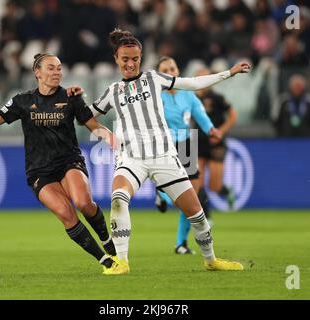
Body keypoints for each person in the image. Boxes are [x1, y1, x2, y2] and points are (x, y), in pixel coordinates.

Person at [69, 28, 250, 275]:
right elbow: (85, 117)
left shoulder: (155, 79)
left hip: (165, 157)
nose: (130, 64)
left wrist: (229, 73)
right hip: (131, 158)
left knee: (196, 214)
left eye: (135, 59)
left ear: (141, 57)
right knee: (118, 199)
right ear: (116, 59)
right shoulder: (113, 91)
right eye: (125, 59)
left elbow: (193, 83)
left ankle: (211, 260)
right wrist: (86, 113)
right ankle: (122, 261)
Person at [0, 53, 118, 274]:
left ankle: (106, 239)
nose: (57, 72)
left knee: (83, 203)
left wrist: (109, 137)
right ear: (37, 72)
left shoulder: (71, 97)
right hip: (38, 170)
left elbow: (93, 125)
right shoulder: (22, 101)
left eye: (58, 68)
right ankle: (105, 261)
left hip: (69, 161)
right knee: (66, 213)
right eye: (51, 68)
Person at [153, 56, 223, 255]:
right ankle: (163, 195)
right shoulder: (155, 96)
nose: (171, 72)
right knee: (180, 197)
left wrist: (211, 129)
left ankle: (180, 243)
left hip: (186, 143)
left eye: (173, 68)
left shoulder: (188, 94)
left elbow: (199, 113)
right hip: (165, 144)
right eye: (165, 70)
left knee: (192, 196)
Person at [194, 68, 238, 222]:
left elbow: (233, 115)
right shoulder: (191, 97)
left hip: (216, 142)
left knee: (214, 185)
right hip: (197, 142)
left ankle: (226, 191)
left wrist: (221, 131)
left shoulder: (217, 98)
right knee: (197, 183)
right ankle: (207, 216)